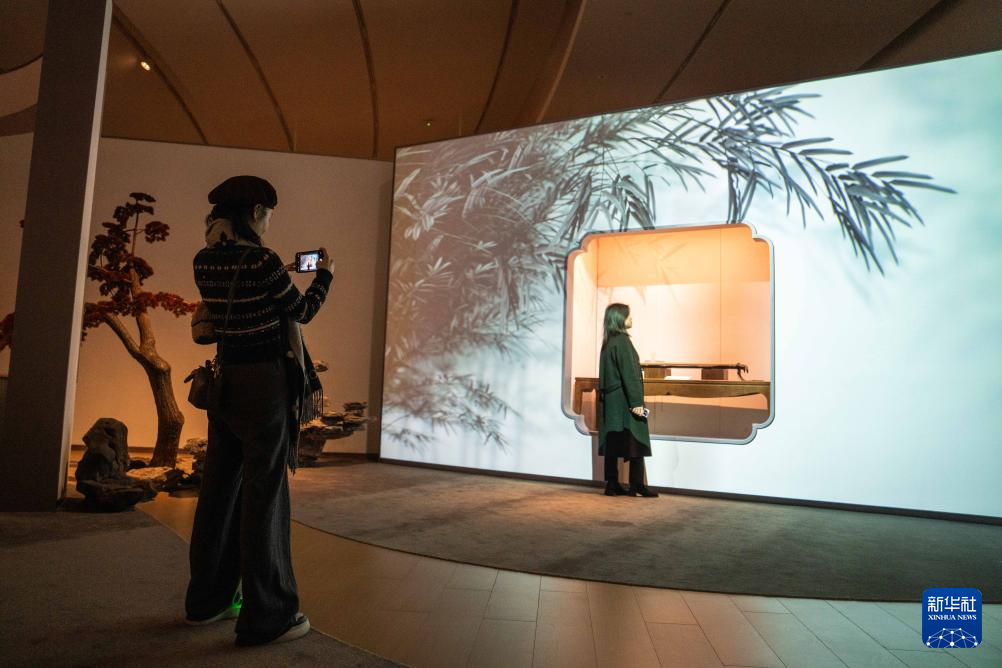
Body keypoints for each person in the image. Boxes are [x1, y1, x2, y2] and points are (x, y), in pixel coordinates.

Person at [185, 175, 334, 646]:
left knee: (218, 491)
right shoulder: (263, 261)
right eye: (267, 214)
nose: (268, 222)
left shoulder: (204, 260)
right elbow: (302, 310)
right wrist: (325, 275)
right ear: (254, 212)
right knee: (264, 497)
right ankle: (267, 616)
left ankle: (206, 601)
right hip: (264, 386)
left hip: (226, 382)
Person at [598, 303, 659, 497]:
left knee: (613, 442)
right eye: (627, 315)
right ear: (619, 319)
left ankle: (612, 484)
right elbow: (630, 376)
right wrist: (637, 404)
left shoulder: (608, 341)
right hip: (624, 401)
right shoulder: (623, 342)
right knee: (637, 439)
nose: (631, 318)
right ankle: (637, 485)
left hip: (612, 402)